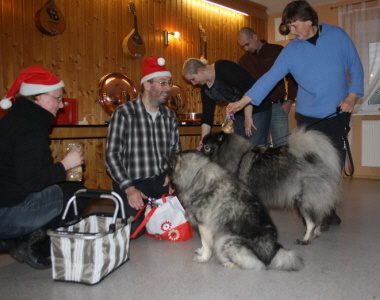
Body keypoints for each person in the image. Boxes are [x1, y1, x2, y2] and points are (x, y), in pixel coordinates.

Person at [227, 0, 364, 228]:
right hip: (308, 116)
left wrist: (352, 96)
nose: (291, 31)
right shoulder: (292, 50)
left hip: (337, 113)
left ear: (310, 21)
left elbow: (356, 66)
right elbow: (270, 78)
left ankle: (327, 209)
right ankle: (314, 210)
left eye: (294, 25)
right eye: (289, 26)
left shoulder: (337, 36)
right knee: (308, 166)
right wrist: (244, 101)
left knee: (333, 163)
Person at [0, 65, 85, 269]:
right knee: (77, 195)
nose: (62, 104)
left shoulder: (15, 121)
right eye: (57, 98)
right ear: (38, 97)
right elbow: (32, 182)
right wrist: (65, 164)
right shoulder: (28, 129)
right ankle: (31, 243)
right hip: (8, 213)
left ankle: (15, 239)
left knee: (63, 188)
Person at [106, 56, 181, 238]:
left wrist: (172, 174)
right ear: (147, 85)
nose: (167, 88)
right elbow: (112, 156)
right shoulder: (124, 113)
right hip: (133, 184)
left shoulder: (169, 116)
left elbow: (175, 152)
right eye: (162, 83)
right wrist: (130, 189)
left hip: (160, 182)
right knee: (131, 233)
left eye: (168, 83)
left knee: (176, 224)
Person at [182, 58, 272, 145]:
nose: (193, 84)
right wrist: (203, 141)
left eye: (193, 79)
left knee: (255, 147)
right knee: (240, 149)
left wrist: (248, 117)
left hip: (257, 108)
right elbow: (207, 116)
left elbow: (249, 89)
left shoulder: (224, 68)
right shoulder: (205, 88)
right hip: (239, 113)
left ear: (200, 70)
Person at [238, 27, 298, 146]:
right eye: (243, 47)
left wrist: (290, 100)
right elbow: (243, 87)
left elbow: (292, 77)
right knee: (259, 147)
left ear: (254, 37)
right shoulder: (244, 61)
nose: (246, 49)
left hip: (277, 106)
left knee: (282, 147)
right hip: (257, 109)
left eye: (247, 44)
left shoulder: (277, 50)